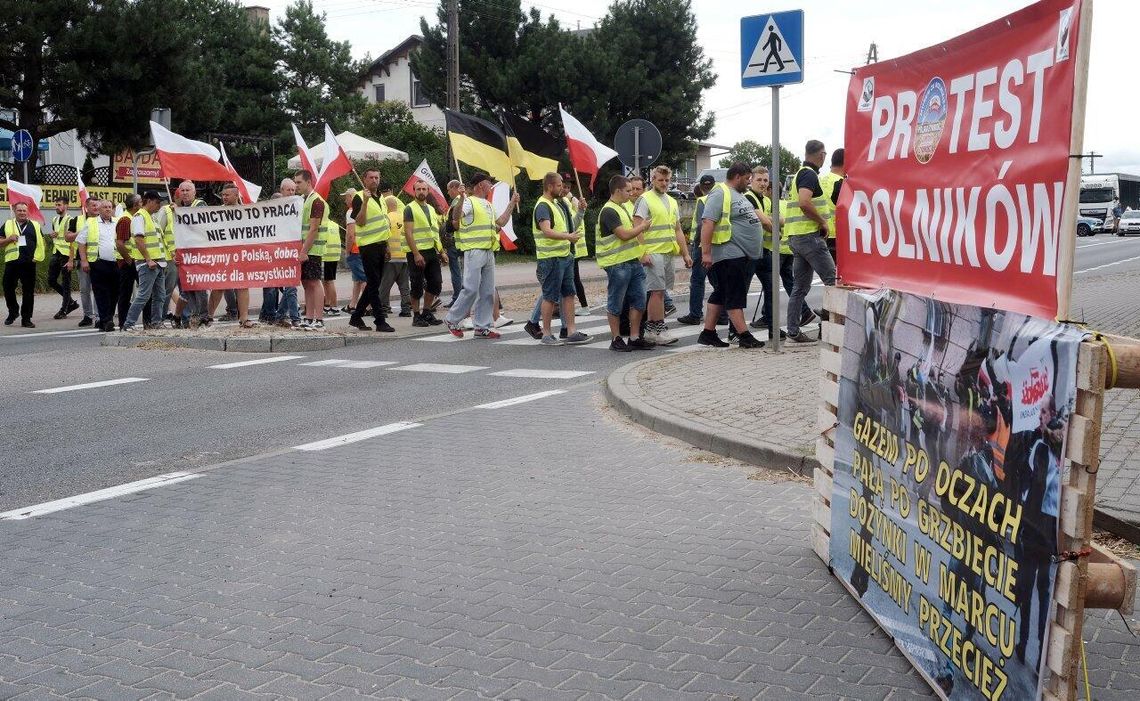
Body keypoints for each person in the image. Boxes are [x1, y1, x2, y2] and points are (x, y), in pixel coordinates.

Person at [697, 162, 765, 349]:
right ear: (737, 177)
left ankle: (708, 333)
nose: (748, 183)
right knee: (734, 293)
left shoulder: (738, 195)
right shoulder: (720, 193)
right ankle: (743, 334)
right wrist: (706, 253)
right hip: (727, 252)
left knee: (722, 293)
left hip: (737, 253)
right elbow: (708, 222)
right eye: (747, 179)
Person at [444, 173, 517, 339]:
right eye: (488, 183)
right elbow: (456, 217)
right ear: (480, 186)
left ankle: (482, 326)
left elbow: (501, 223)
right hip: (474, 250)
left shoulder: (488, 205)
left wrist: (512, 204)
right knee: (471, 288)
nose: (490, 186)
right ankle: (452, 319)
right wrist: (462, 198)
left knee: (487, 291)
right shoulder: (470, 201)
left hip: (488, 251)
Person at [784, 140, 837, 344]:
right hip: (809, 237)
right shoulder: (808, 174)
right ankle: (829, 322)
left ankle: (793, 331)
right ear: (821, 155)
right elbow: (804, 202)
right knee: (833, 281)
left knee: (800, 287)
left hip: (797, 237)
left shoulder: (799, 174)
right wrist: (823, 221)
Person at [529, 171, 590, 346]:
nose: (562, 187)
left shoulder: (557, 204)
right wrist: (567, 238)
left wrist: (580, 211)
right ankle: (547, 334)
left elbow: (571, 226)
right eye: (558, 185)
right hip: (551, 258)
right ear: (549, 186)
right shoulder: (543, 206)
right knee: (550, 297)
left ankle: (571, 331)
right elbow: (547, 231)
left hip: (564, 256)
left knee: (569, 294)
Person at [633, 165, 692, 345]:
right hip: (653, 252)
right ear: (653, 180)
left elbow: (677, 229)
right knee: (657, 292)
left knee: (659, 292)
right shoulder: (645, 199)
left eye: (667, 180)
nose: (664, 183)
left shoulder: (672, 201)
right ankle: (658, 328)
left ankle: (652, 329)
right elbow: (637, 226)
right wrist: (642, 252)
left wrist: (685, 254)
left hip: (667, 252)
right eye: (660, 180)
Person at [596, 175, 653, 352]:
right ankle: (616, 338)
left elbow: (630, 232)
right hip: (617, 263)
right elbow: (624, 234)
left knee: (639, 300)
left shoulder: (623, 208)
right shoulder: (609, 211)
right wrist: (642, 227)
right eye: (628, 190)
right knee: (616, 301)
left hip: (632, 261)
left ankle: (634, 337)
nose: (631, 193)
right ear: (618, 190)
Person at [746, 166, 794, 340]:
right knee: (740, 292)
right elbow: (766, 222)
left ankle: (774, 329)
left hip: (765, 252)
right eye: (759, 180)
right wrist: (777, 230)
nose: (763, 183)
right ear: (751, 180)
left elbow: (775, 219)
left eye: (765, 180)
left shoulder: (766, 200)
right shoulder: (748, 197)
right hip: (749, 253)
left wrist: (772, 222)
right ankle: (734, 331)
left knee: (772, 291)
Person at [348, 169, 395, 333]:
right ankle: (379, 320)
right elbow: (360, 222)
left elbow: (383, 222)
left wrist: (387, 244)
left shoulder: (381, 197)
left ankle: (356, 316)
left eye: (377, 177)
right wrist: (366, 202)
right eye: (371, 178)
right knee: (374, 284)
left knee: (374, 283)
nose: (374, 180)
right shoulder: (359, 197)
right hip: (368, 246)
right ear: (364, 179)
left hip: (381, 244)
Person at [121, 191, 169, 330]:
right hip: (148, 263)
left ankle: (156, 322)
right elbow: (138, 239)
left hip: (158, 262)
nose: (159, 205)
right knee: (143, 295)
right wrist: (148, 259)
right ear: (148, 201)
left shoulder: (152, 217)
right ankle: (128, 324)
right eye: (157, 202)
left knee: (160, 296)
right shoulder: (139, 217)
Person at [403, 180, 447, 327]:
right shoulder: (410, 208)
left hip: (431, 251)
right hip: (416, 252)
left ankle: (427, 312)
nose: (421, 191)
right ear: (414, 191)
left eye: (424, 189)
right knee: (416, 285)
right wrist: (416, 254)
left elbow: (434, 233)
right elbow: (408, 233)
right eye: (418, 189)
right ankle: (416, 316)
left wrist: (441, 251)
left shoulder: (430, 209)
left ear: (428, 191)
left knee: (436, 283)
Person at [166, 181, 209, 328]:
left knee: (200, 286)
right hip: (184, 253)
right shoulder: (179, 208)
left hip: (199, 253)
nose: (184, 193)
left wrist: (179, 212)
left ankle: (203, 317)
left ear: (194, 192)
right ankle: (187, 317)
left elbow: (198, 224)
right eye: (182, 190)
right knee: (187, 288)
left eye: (187, 190)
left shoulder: (200, 205)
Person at [294, 170, 332, 330]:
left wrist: (304, 251)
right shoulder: (304, 200)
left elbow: (314, 229)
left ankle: (319, 319)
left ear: (308, 182)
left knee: (315, 283)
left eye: (299, 183)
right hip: (306, 248)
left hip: (313, 249)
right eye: (295, 182)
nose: (296, 186)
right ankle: (309, 317)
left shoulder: (317, 201)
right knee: (306, 283)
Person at [77, 200, 123, 332]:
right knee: (101, 292)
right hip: (98, 262)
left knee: (115, 292)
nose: (108, 209)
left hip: (116, 263)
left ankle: (107, 318)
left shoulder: (117, 222)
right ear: (100, 209)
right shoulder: (91, 222)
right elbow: (81, 242)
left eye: (110, 207)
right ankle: (105, 320)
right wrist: (84, 260)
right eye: (105, 207)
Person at [677, 174, 715, 326]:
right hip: (718, 245)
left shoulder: (702, 200)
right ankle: (723, 314)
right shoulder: (722, 199)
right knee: (717, 281)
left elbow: (702, 224)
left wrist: (699, 246)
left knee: (698, 280)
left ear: (700, 187)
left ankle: (695, 314)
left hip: (702, 246)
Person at [2, 202, 46, 327]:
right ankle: (13, 311)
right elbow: (0, 242)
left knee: (28, 292)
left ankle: (26, 318)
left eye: (24, 210)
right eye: (19, 210)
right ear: (14, 211)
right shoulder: (8, 224)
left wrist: (37, 257)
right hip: (12, 262)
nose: (22, 212)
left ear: (28, 212)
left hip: (29, 263)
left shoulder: (35, 225)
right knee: (7, 288)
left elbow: (41, 243)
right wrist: (8, 239)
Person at [65, 197, 100, 327]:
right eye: (93, 205)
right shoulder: (77, 220)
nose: (95, 208)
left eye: (97, 205)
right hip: (82, 260)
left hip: (97, 260)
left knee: (98, 288)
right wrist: (80, 233)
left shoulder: (102, 220)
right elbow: (67, 237)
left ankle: (98, 316)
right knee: (84, 289)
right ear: (86, 207)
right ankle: (87, 315)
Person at [45, 196, 80, 319]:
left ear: (66, 206)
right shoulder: (55, 219)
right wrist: (54, 235)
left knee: (66, 283)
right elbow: (57, 235)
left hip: (66, 254)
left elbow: (72, 241)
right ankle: (70, 302)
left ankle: (64, 309)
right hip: (56, 252)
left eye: (59, 205)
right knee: (51, 280)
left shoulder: (71, 220)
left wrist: (71, 259)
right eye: (56, 205)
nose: (57, 207)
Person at [379, 195, 412, 318]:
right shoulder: (404, 217)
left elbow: (384, 236)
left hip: (391, 258)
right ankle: (406, 309)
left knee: (385, 285)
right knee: (404, 286)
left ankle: (383, 308)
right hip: (404, 256)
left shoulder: (386, 218)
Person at [563, 175, 590, 315]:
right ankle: (582, 306)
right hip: (575, 244)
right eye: (564, 186)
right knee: (573, 278)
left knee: (573, 278)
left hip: (573, 245)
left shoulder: (569, 201)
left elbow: (572, 222)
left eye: (568, 187)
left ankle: (584, 306)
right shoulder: (570, 200)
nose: (566, 189)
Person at [340, 188, 366, 315]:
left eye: (346, 197)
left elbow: (350, 235)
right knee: (357, 279)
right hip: (364, 247)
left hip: (355, 250)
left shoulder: (351, 212)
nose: (345, 200)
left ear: (351, 197)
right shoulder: (363, 210)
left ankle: (368, 306)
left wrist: (347, 250)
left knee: (363, 279)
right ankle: (352, 305)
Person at [818, 147, 845, 262]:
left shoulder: (818, 179)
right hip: (834, 237)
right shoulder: (842, 183)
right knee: (836, 276)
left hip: (817, 234)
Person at [443, 179, 464, 307]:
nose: (448, 192)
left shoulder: (457, 201)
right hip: (459, 241)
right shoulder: (460, 201)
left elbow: (454, 223)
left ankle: (457, 298)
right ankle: (458, 297)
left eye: (449, 189)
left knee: (456, 271)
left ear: (455, 188)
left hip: (455, 241)